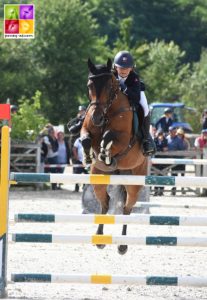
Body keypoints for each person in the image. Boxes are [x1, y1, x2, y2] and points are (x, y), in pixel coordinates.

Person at [113, 50, 156, 156]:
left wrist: (122, 88)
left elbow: (135, 98)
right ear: (115, 67)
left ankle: (146, 139)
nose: (123, 71)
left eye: (126, 68)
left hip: (134, 95)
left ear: (131, 68)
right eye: (121, 68)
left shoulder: (134, 78)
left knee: (145, 109)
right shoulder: (111, 75)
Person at [167, 126, 188, 195]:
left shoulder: (179, 139)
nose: (171, 133)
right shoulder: (167, 138)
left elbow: (182, 148)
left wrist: (175, 151)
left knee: (182, 175)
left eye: (173, 131)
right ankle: (173, 190)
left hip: (180, 159)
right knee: (173, 175)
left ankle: (182, 188)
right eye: (170, 131)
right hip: (171, 159)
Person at [153, 129, 168, 196]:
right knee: (155, 175)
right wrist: (161, 149)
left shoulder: (165, 140)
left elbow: (166, 148)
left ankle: (161, 191)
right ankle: (156, 190)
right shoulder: (155, 140)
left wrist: (161, 148)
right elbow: (155, 148)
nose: (160, 136)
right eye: (159, 134)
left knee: (163, 175)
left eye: (161, 135)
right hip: (156, 160)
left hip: (163, 160)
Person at [43, 126, 59, 190]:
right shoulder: (46, 137)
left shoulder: (54, 138)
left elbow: (55, 146)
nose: (52, 133)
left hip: (54, 155)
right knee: (46, 171)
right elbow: (48, 145)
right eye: (51, 132)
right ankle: (45, 184)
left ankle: (54, 186)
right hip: (48, 156)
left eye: (53, 132)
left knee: (54, 171)